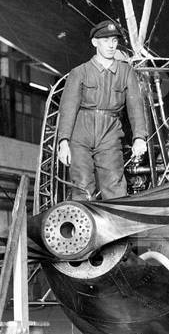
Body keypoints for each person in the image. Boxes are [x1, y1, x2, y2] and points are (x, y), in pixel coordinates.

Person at [55, 20, 148, 200]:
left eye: (114, 40)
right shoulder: (79, 72)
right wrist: (63, 141)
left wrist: (139, 137)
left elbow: (136, 106)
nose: (111, 45)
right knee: (81, 186)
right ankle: (84, 227)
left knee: (114, 185)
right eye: (106, 40)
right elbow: (68, 108)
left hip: (110, 132)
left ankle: (117, 227)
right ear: (95, 42)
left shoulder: (126, 72)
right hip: (80, 133)